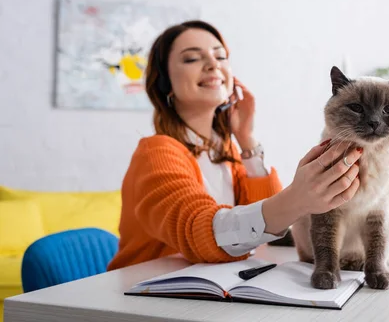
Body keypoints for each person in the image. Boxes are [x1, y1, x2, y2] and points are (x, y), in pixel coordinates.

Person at [107, 20, 363, 270]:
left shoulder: (225, 151)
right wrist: (297, 199)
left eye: (220, 57)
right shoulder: (155, 152)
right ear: (165, 83)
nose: (212, 65)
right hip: (141, 296)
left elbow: (268, 231)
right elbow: (199, 233)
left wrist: (245, 139)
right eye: (192, 59)